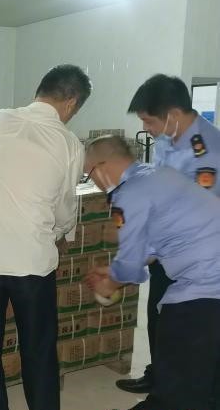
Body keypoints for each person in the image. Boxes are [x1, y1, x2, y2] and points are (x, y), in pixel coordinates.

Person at [0, 64, 91, 410]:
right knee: (38, 350)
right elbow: (65, 209)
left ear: (40, 91)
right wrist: (61, 234)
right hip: (31, 263)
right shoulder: (68, 143)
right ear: (71, 102)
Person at [83, 135, 220, 410]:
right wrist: (114, 271)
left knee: (175, 387)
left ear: (102, 166)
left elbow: (130, 262)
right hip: (212, 285)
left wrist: (109, 284)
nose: (94, 182)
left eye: (89, 174)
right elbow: (157, 243)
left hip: (203, 291)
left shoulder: (127, 193)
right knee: (208, 385)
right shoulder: (160, 175)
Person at [116, 74, 220, 394]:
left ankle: (181, 388)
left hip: (198, 259)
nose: (146, 128)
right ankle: (159, 374)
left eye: (149, 121)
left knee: (192, 327)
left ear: (173, 114)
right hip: (165, 251)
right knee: (158, 314)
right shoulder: (166, 140)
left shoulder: (208, 150)